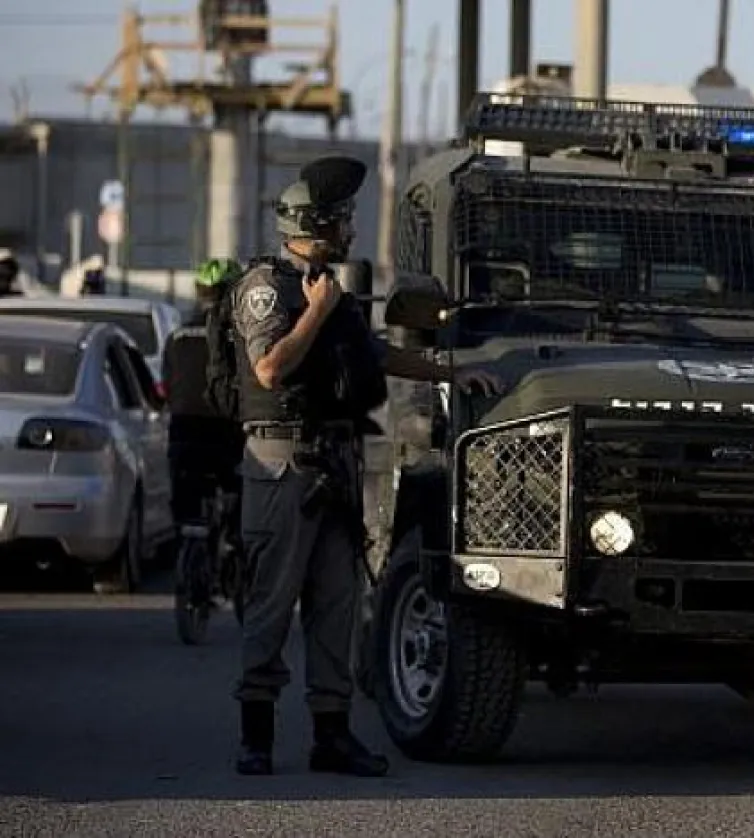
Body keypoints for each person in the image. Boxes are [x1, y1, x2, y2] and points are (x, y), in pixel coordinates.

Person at [231, 155, 503, 777]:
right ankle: (256, 736)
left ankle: (332, 735)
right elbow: (270, 366)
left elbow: (373, 353)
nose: (352, 227)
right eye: (344, 217)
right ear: (316, 222)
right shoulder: (268, 286)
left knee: (337, 604)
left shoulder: (327, 285)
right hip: (282, 461)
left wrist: (452, 372)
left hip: (335, 459)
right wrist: (318, 310)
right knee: (272, 604)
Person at [164, 260, 248, 535]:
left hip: (184, 435)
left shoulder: (177, 336)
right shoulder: (241, 338)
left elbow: (167, 387)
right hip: (228, 435)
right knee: (244, 510)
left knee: (186, 513)